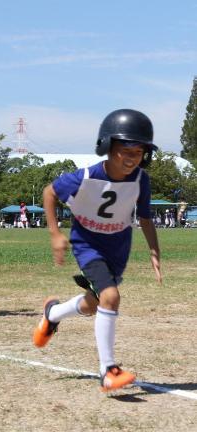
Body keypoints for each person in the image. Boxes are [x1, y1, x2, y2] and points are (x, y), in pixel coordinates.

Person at [33, 109, 162, 392]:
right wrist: (55, 234)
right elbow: (49, 192)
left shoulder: (141, 180)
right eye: (123, 150)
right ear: (107, 146)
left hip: (118, 248)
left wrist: (154, 251)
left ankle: (52, 314)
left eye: (138, 152)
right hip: (88, 245)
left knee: (95, 304)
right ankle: (108, 370)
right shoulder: (86, 176)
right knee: (111, 296)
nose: (131, 157)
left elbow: (145, 218)